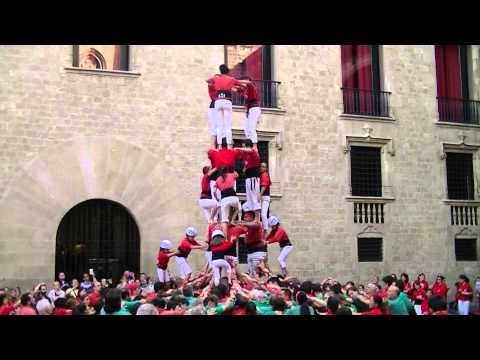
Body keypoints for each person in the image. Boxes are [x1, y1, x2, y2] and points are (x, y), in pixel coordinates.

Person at [206, 64, 244, 147]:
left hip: (218, 102)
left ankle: (219, 145)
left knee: (219, 126)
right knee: (227, 125)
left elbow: (208, 81)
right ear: (227, 71)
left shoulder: (216, 80)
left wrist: (215, 82)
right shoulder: (231, 79)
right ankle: (228, 144)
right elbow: (240, 85)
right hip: (226, 101)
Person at [215, 167, 241, 236]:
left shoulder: (218, 179)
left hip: (224, 199)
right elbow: (237, 175)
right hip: (233, 197)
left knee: (224, 220)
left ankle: (225, 238)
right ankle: (232, 220)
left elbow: (215, 191)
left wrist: (216, 198)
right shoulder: (231, 175)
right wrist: (232, 168)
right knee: (239, 208)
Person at [240, 139, 262, 221]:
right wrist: (245, 168)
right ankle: (250, 217)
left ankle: (257, 218)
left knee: (254, 198)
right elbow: (247, 166)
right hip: (248, 179)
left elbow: (250, 150)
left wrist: (238, 149)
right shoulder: (247, 156)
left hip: (253, 178)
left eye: (243, 146)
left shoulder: (253, 152)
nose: (243, 148)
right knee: (249, 199)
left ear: (247, 145)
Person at [238, 77, 261, 145]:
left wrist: (236, 80)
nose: (243, 83)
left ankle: (254, 146)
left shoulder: (252, 87)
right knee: (246, 129)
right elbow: (236, 89)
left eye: (244, 82)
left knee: (252, 128)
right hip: (249, 110)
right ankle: (249, 143)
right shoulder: (246, 90)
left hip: (254, 109)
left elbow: (249, 82)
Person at [259, 162, 272, 232]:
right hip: (264, 197)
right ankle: (263, 228)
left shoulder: (264, 175)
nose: (262, 168)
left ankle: (265, 229)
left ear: (266, 168)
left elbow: (264, 186)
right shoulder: (262, 175)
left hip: (264, 197)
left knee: (263, 214)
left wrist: (259, 195)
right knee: (260, 214)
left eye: (263, 167)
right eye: (261, 166)